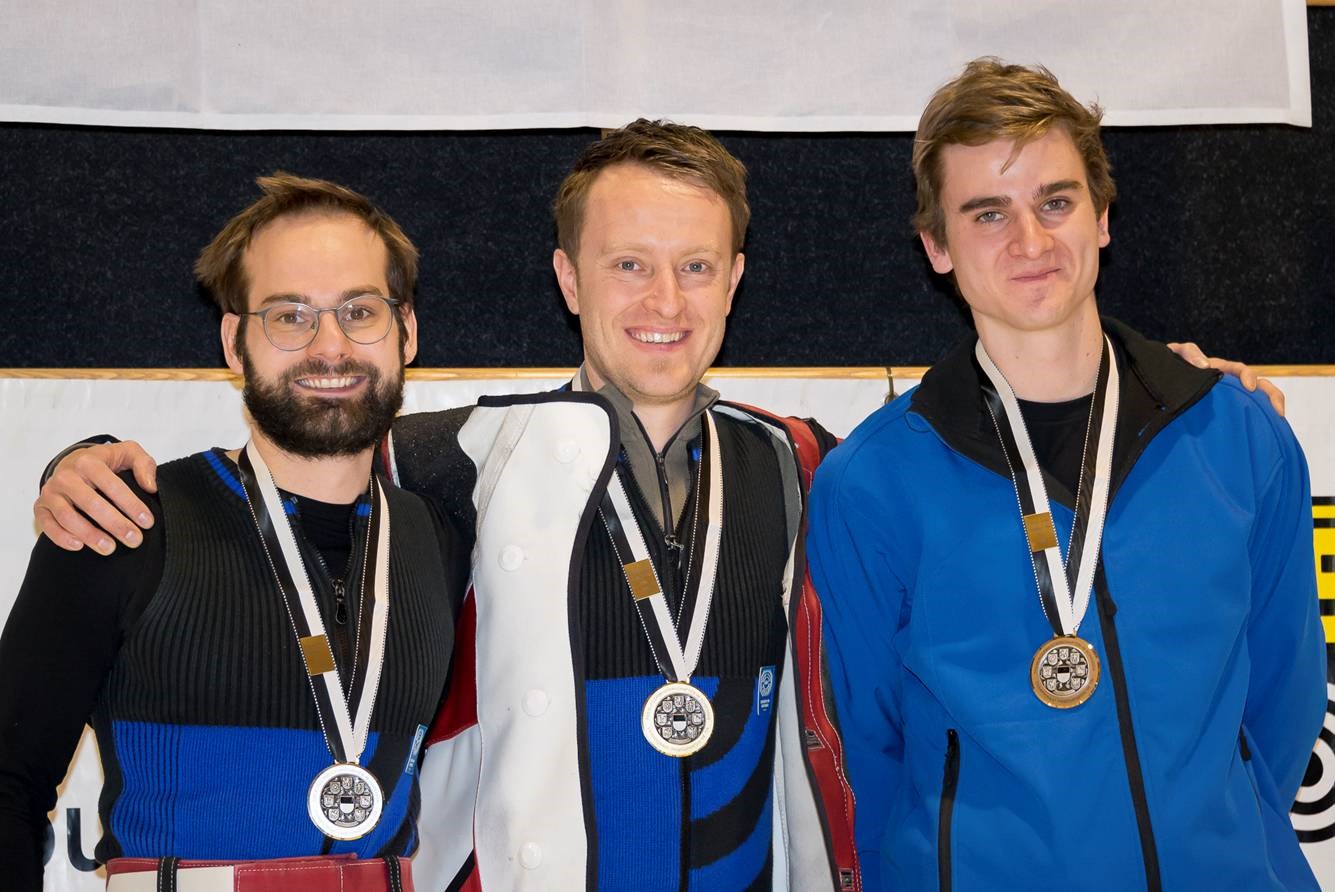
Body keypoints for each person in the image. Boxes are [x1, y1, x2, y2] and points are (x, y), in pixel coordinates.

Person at [30, 121, 1283, 892]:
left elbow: (1024, 453)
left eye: (696, 265)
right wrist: (87, 463)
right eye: (628, 263)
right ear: (569, 277)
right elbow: (297, 452)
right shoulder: (456, 459)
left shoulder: (810, 465)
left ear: (739, 278)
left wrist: (1186, 387)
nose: (663, 300)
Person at [806, 58, 1325, 891]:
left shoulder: (1236, 437)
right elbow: (872, 744)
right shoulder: (868, 485)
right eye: (987, 213)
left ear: (1103, 216)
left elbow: (1282, 703)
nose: (1031, 241)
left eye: (1056, 201)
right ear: (935, 246)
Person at [0, 174, 465, 891]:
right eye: (289, 315)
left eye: (360, 311)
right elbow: (10, 779)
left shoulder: (442, 538)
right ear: (233, 341)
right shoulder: (125, 523)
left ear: (406, 331)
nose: (329, 345)